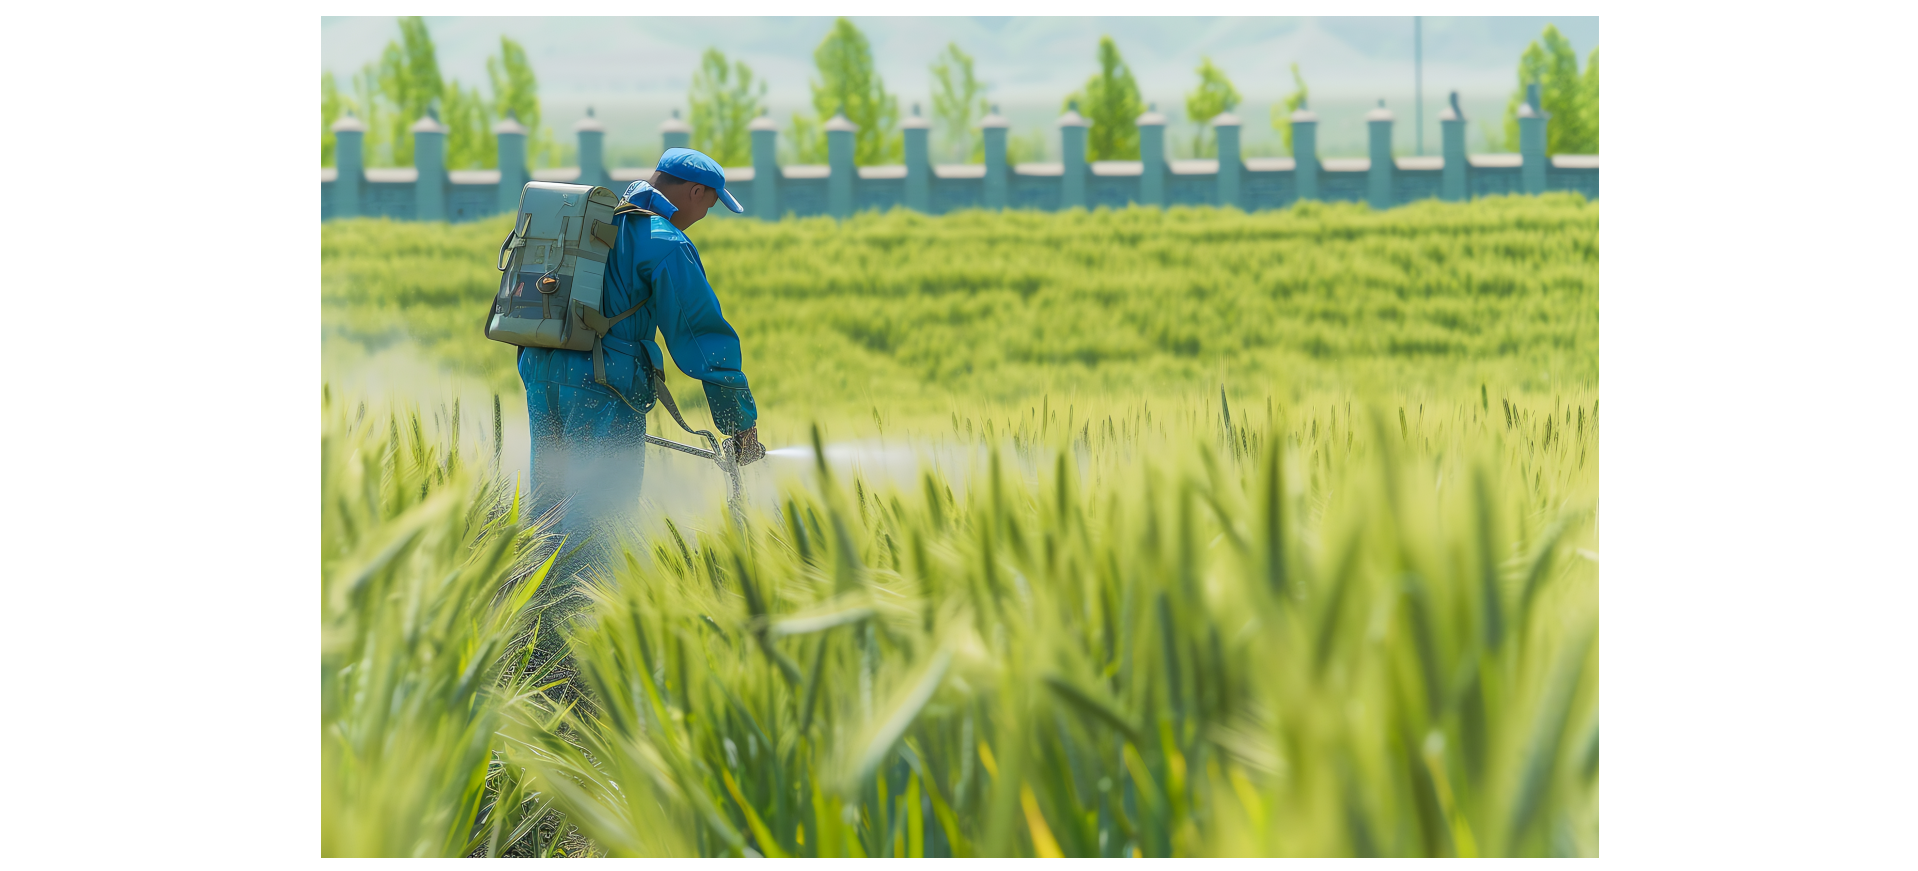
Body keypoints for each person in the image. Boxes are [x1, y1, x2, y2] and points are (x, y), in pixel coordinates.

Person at [517, 147, 766, 573]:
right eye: (710, 204)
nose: (705, 215)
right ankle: (578, 626)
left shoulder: (593, 221)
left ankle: (529, 625)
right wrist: (739, 423)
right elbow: (703, 340)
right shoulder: (666, 243)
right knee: (597, 518)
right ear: (694, 191)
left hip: (542, 373)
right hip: (604, 385)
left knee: (548, 507)